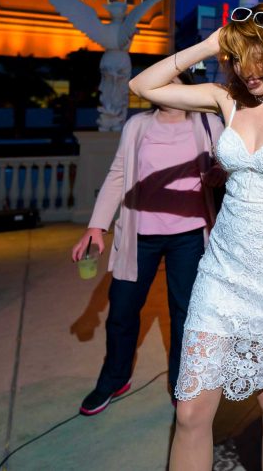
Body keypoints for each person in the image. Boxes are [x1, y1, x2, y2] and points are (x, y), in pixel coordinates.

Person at [129, 4, 263, 471]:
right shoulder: (227, 98)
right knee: (191, 410)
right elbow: (142, 87)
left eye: (253, 55)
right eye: (236, 57)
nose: (245, 69)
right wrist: (207, 44)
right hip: (220, 272)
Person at [72, 71, 224, 416]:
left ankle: (182, 382)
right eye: (159, 84)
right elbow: (117, 174)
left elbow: (228, 166)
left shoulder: (208, 123)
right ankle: (114, 379)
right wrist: (96, 226)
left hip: (191, 234)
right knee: (122, 310)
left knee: (185, 312)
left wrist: (220, 173)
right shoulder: (137, 125)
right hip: (139, 234)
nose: (165, 91)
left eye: (173, 85)